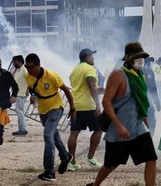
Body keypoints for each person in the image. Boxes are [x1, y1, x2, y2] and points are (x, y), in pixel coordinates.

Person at [87, 42, 157, 186]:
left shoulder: (140, 75)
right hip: (119, 131)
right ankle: (95, 185)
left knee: (151, 158)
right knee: (110, 165)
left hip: (137, 128)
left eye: (142, 56)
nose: (140, 60)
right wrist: (119, 126)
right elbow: (106, 101)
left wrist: (144, 119)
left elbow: (140, 100)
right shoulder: (118, 74)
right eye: (137, 56)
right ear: (128, 57)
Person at [24, 53, 75, 182]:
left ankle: (49, 171)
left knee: (47, 135)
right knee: (53, 135)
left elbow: (66, 91)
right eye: (26, 67)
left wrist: (73, 109)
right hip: (42, 110)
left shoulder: (52, 76)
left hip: (56, 107)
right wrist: (33, 97)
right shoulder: (28, 76)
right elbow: (32, 90)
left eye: (30, 67)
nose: (28, 70)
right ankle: (65, 156)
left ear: (38, 65)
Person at [68, 48, 103, 170]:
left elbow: (83, 88)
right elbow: (92, 86)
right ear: (87, 57)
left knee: (74, 133)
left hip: (76, 106)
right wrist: (98, 105)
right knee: (99, 130)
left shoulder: (75, 70)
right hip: (89, 106)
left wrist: (103, 90)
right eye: (92, 56)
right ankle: (90, 157)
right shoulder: (89, 68)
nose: (93, 58)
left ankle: (71, 162)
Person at [11, 55, 29, 136]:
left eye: (15, 62)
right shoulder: (18, 70)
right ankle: (22, 128)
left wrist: (28, 91)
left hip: (22, 94)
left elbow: (30, 80)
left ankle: (22, 129)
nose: (14, 64)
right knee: (19, 111)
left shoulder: (24, 70)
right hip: (18, 93)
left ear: (19, 61)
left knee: (20, 112)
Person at [143, 57, 161, 136]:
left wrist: (157, 103)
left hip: (147, 101)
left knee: (151, 121)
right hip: (145, 102)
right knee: (151, 122)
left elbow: (153, 88)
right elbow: (153, 88)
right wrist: (157, 103)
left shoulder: (149, 72)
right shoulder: (148, 72)